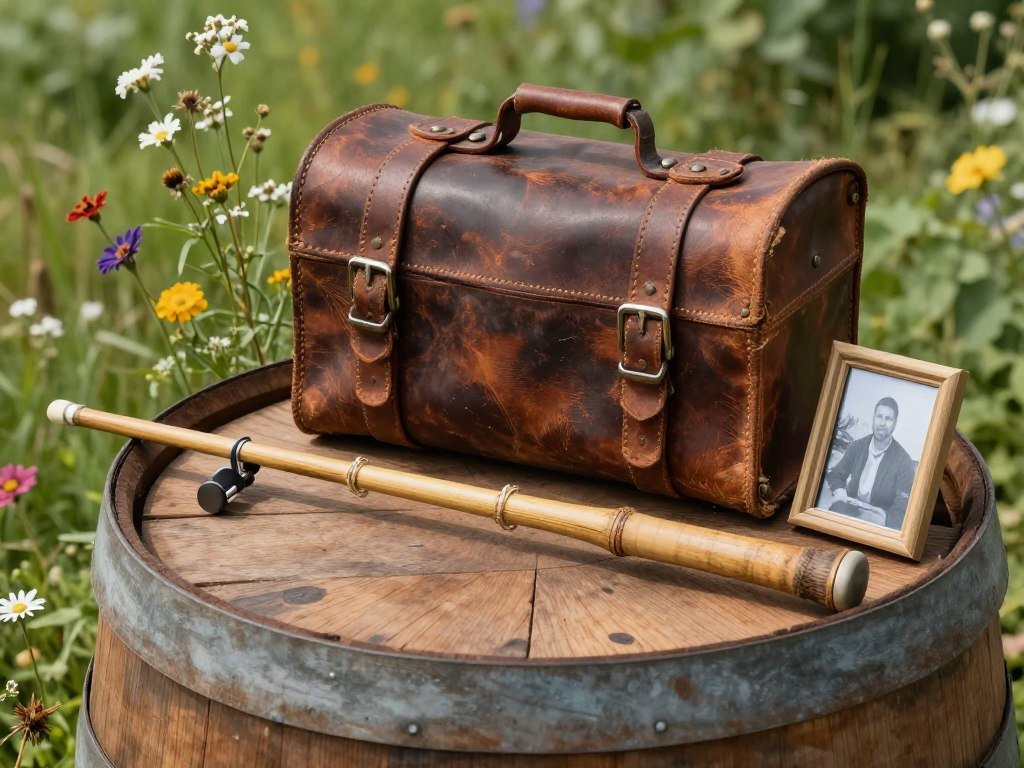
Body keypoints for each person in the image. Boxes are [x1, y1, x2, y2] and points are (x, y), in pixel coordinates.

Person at [824, 397, 916, 529]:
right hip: (850, 508)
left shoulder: (903, 459)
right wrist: (840, 493)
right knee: (832, 515)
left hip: (878, 516)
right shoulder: (857, 446)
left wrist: (885, 518)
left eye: (888, 419)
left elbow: (904, 500)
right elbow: (836, 474)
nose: (882, 423)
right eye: (879, 416)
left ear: (894, 424)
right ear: (874, 419)